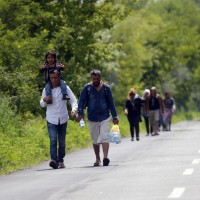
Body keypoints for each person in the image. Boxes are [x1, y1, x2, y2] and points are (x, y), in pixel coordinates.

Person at [77, 69, 119, 167]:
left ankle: (105, 157)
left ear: (100, 78)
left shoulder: (106, 88)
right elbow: (81, 101)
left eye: (97, 78)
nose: (96, 80)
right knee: (95, 139)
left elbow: (111, 103)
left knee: (104, 136)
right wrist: (80, 113)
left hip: (104, 116)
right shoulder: (87, 88)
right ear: (91, 78)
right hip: (92, 117)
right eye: (94, 79)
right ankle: (97, 158)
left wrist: (115, 116)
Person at [40, 69, 78, 169]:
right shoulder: (46, 89)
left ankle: (60, 160)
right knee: (53, 140)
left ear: (59, 77)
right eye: (51, 78)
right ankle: (54, 160)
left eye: (55, 77)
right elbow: (41, 104)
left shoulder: (65, 88)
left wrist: (74, 109)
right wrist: (44, 100)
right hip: (51, 119)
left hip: (63, 118)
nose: (53, 80)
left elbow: (74, 100)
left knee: (61, 142)